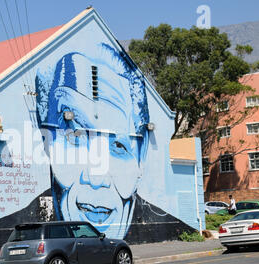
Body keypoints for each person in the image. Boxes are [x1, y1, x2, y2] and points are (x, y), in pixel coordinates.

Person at [33, 43, 195, 241]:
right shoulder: (27, 231)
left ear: (141, 158)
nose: (96, 179)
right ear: (46, 142)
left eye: (118, 146)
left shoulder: (178, 225)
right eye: (76, 138)